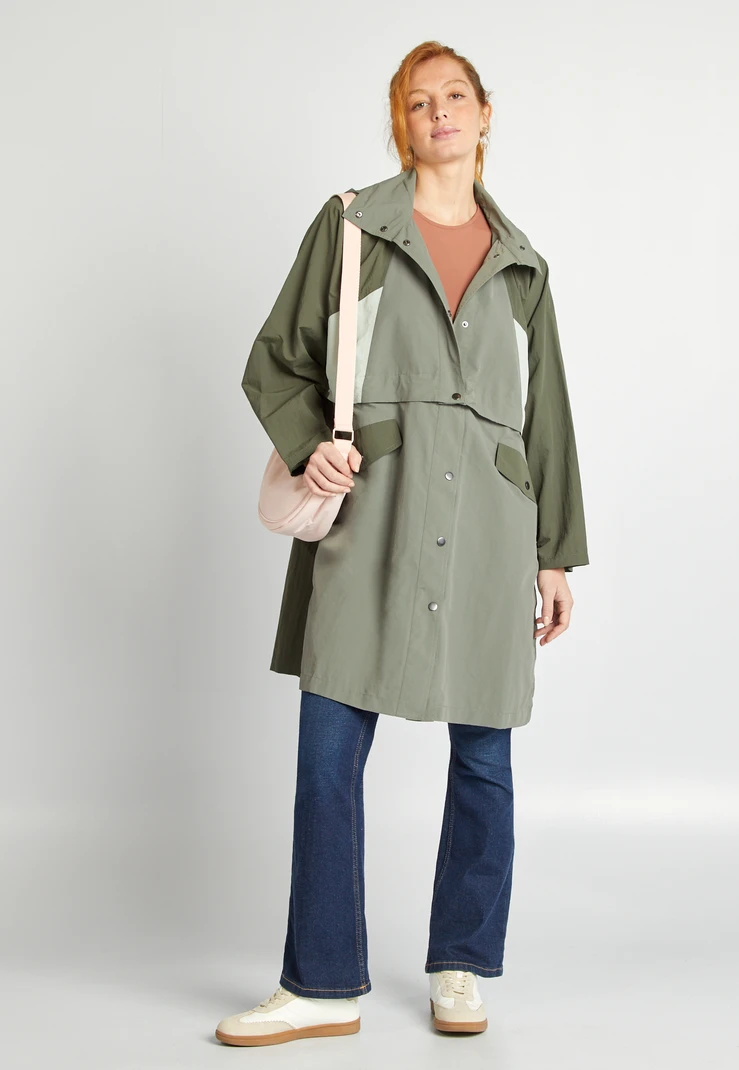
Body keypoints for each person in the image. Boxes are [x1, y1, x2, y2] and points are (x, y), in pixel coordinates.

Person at [216, 39, 589, 1047]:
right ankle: (321, 981)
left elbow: (547, 418)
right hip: (371, 517)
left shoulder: (524, 268)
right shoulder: (352, 230)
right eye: (418, 101)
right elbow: (275, 361)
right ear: (401, 122)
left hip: (492, 535)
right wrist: (313, 448)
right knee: (328, 754)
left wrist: (553, 554)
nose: (439, 112)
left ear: (484, 112)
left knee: (484, 759)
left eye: (454, 95)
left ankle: (459, 962)